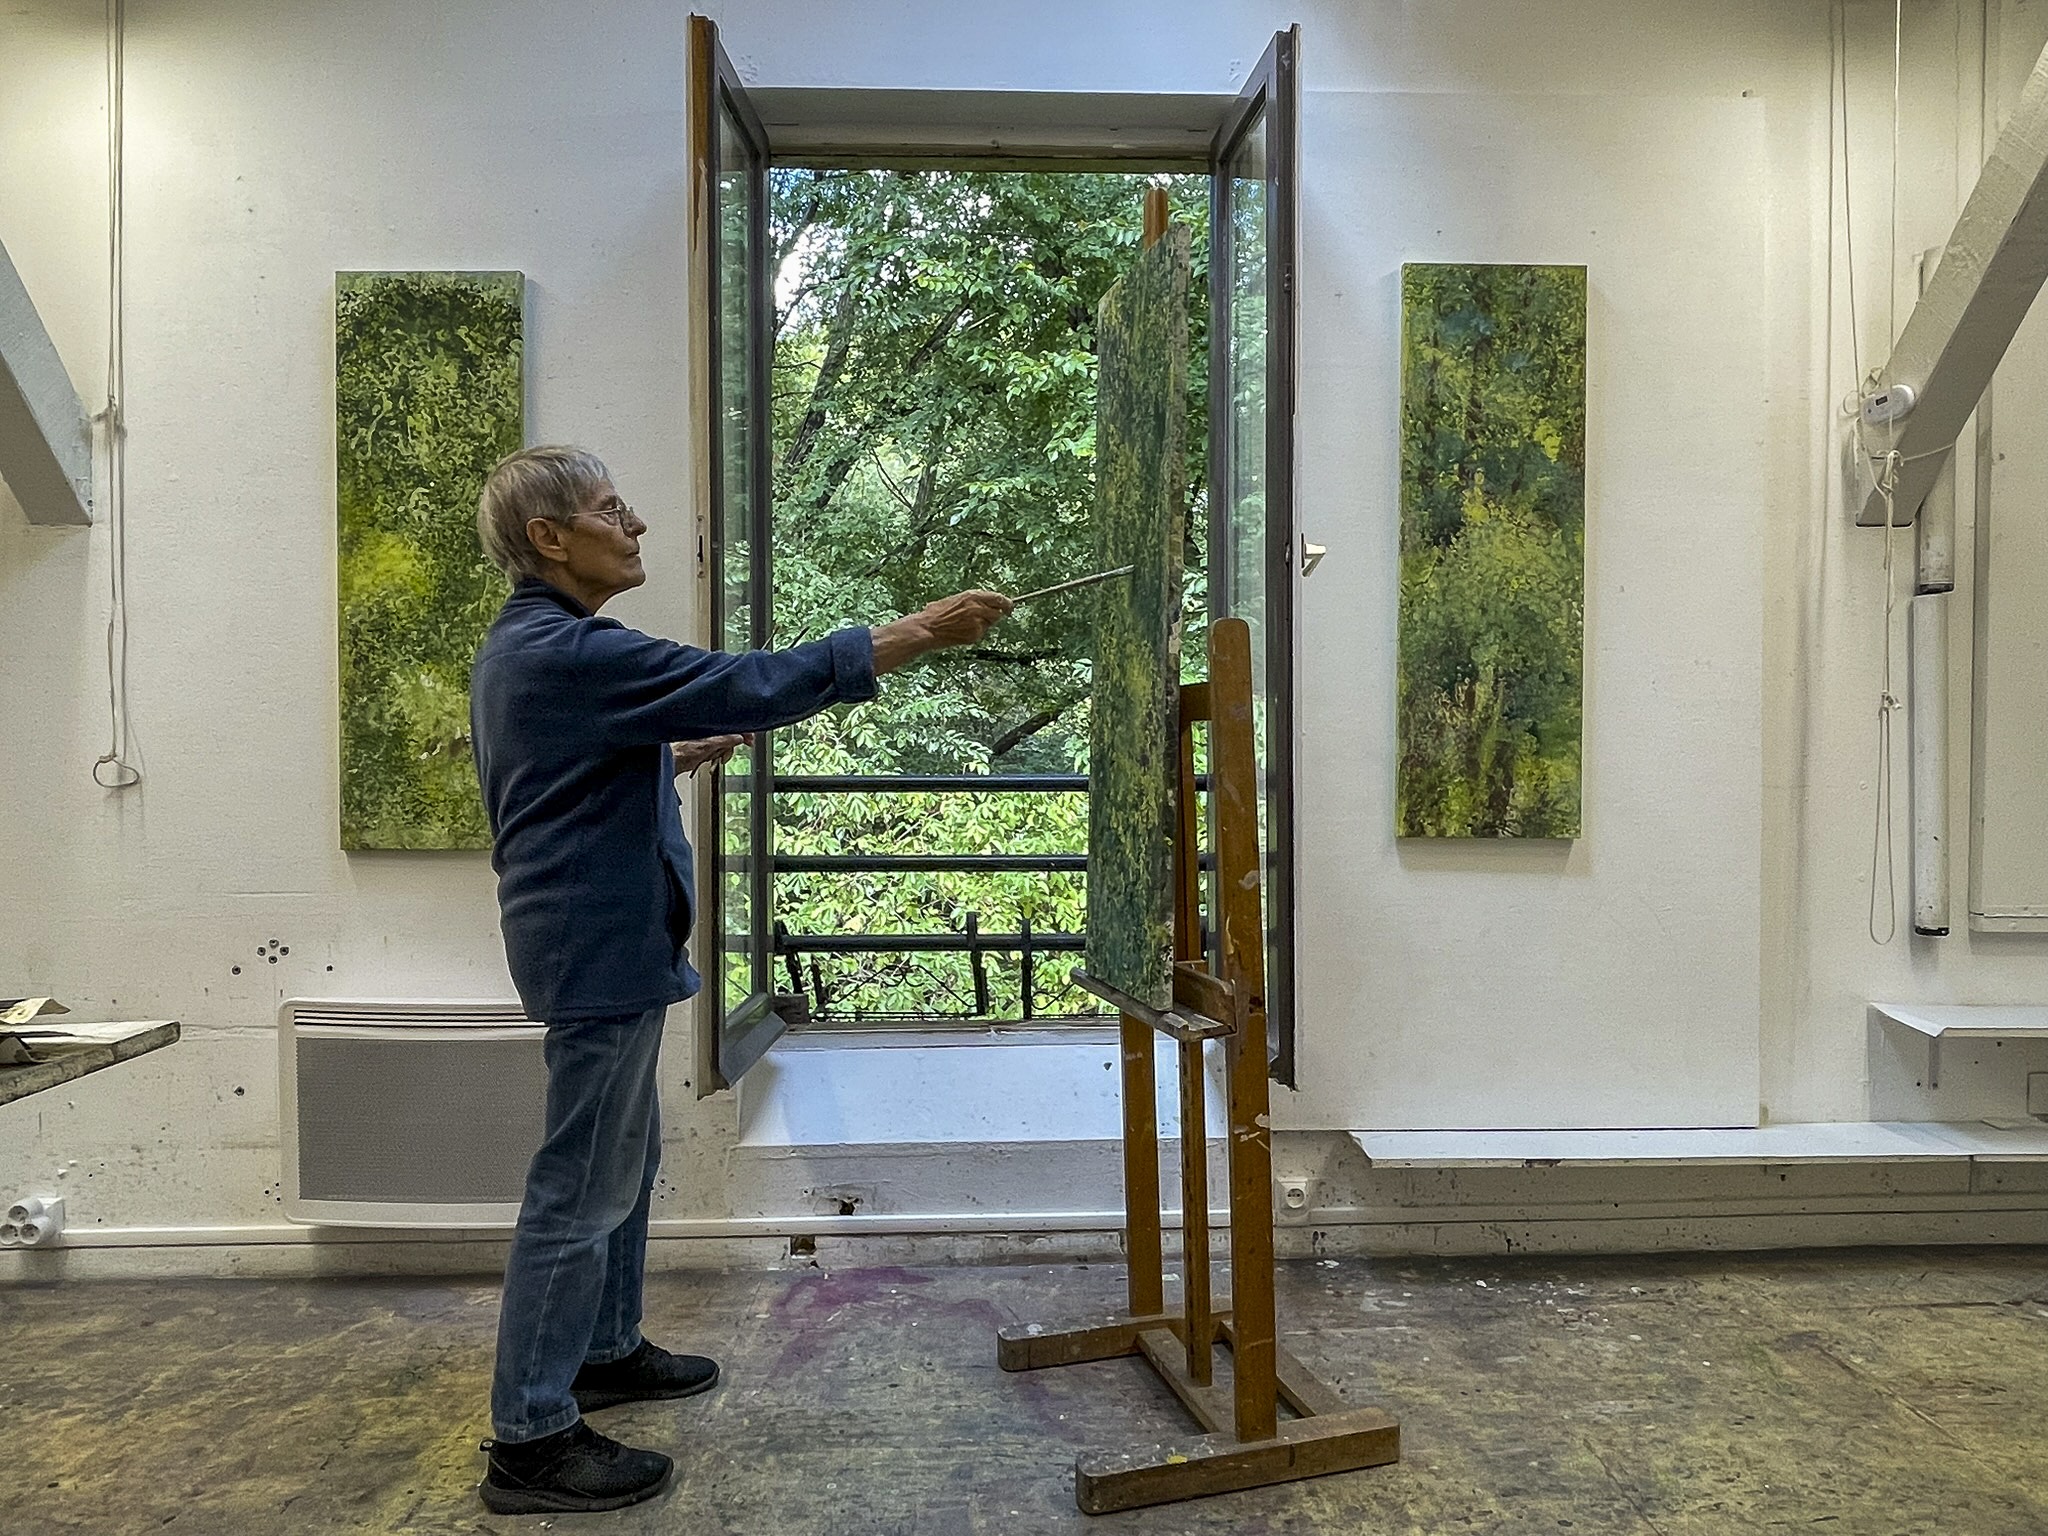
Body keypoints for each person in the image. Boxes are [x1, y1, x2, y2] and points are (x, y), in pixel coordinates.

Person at [466, 444, 1012, 1515]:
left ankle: (604, 1350)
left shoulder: (534, 649)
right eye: (613, 510)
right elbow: (747, 681)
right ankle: (529, 1438)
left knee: (625, 1161)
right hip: (592, 944)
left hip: (600, 938)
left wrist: (665, 755)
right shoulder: (570, 649)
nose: (636, 526)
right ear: (549, 538)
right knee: (579, 1187)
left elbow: (554, 775)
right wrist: (915, 631)